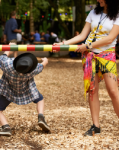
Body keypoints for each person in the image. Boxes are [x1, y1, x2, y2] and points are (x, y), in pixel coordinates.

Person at [53, 0, 119, 136]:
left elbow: (110, 38)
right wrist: (63, 44)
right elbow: (83, 35)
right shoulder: (93, 13)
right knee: (92, 90)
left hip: (107, 56)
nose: (98, 0)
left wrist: (88, 46)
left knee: (113, 91)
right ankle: (96, 126)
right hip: (89, 56)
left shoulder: (117, 15)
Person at [0, 43, 50, 136]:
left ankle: (6, 127)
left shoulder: (7, 65)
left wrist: (9, 47)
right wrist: (45, 60)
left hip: (8, 91)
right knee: (40, 99)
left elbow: (3, 57)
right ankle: (41, 117)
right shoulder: (33, 70)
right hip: (26, 91)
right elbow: (43, 65)